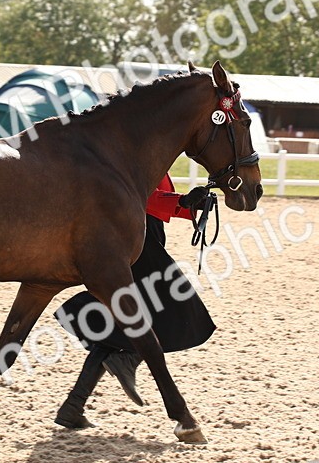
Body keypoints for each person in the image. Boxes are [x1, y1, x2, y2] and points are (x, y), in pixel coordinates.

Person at [53, 174, 215, 429]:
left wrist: (188, 205)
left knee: (123, 320)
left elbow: (153, 194)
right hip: (136, 235)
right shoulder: (135, 139)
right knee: (175, 306)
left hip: (145, 231)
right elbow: (133, 189)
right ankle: (124, 360)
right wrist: (182, 201)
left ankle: (74, 406)